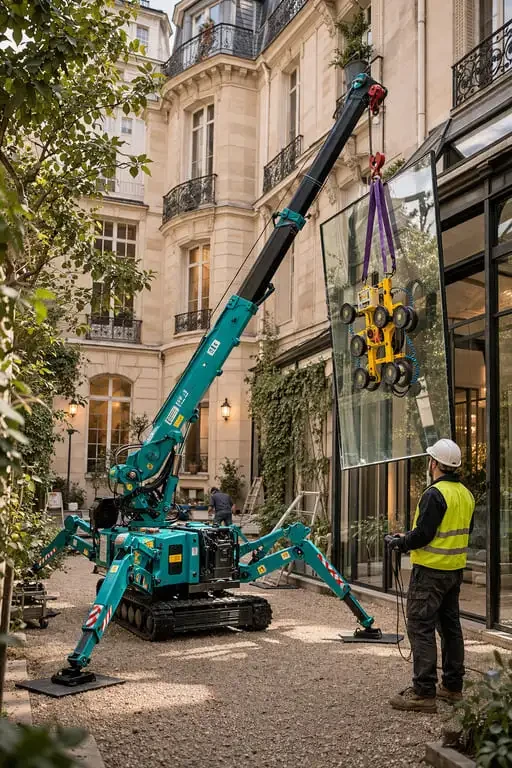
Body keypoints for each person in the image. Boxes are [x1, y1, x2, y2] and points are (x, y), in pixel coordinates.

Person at [389, 438, 475, 714]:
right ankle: (452, 687)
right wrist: (409, 538)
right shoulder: (465, 494)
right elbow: (455, 531)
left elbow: (425, 535)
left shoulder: (434, 494)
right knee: (450, 628)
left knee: (420, 625)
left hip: (430, 572)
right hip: (453, 571)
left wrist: (400, 542)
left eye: (430, 460)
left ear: (435, 463)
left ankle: (424, 691)